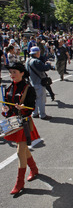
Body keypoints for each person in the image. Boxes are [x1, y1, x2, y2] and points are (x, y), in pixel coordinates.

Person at [2, 62, 40, 194]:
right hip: (13, 123)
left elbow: (32, 108)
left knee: (20, 151)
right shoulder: (8, 88)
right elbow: (8, 107)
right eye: (10, 72)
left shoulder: (28, 88)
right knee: (23, 149)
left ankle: (19, 182)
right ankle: (34, 169)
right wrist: (6, 110)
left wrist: (24, 108)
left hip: (24, 123)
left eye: (14, 72)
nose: (11, 75)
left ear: (22, 73)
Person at [26, 46, 53, 120]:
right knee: (41, 99)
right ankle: (42, 115)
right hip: (39, 82)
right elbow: (44, 68)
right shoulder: (36, 61)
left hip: (32, 82)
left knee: (35, 99)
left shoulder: (28, 61)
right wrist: (48, 64)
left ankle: (35, 113)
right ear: (37, 53)